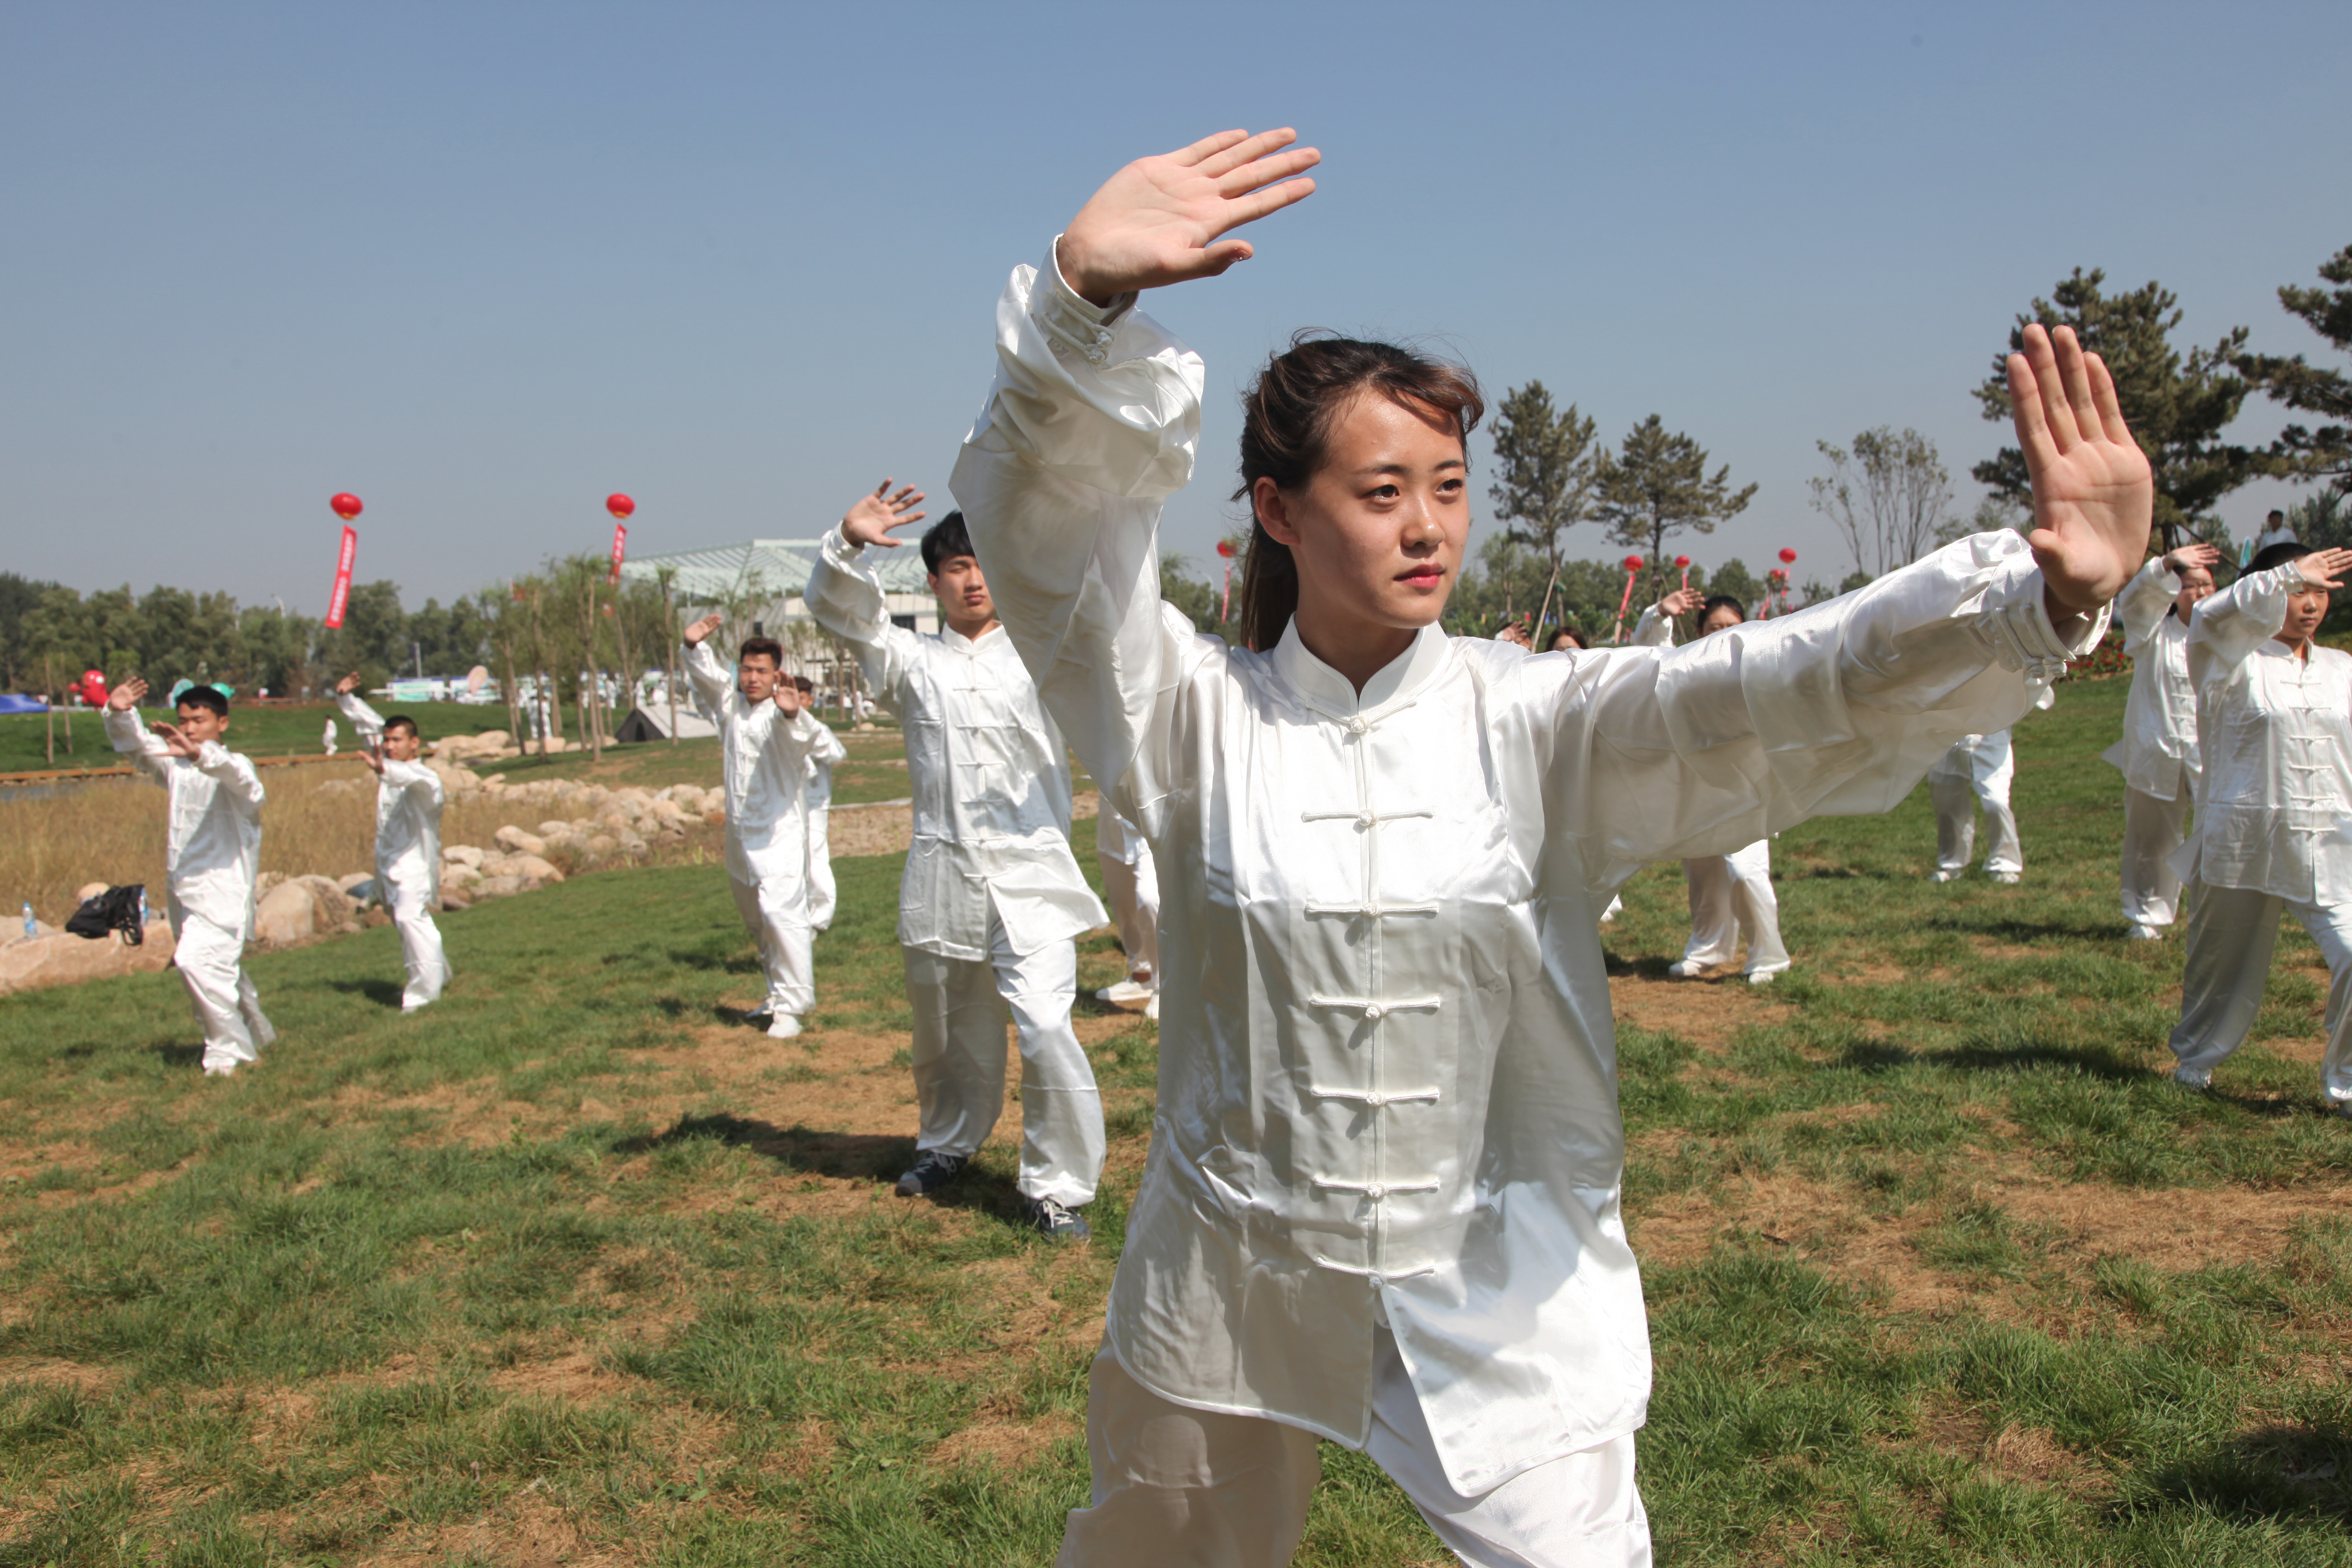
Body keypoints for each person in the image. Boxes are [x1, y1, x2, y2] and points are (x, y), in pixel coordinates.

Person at [949, 128, 2141, 1566]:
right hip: (1228, 1269)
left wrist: (2030, 600)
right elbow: (1053, 552)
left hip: (1500, 1277)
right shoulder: (1188, 721)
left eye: (1446, 485)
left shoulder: (1538, 720)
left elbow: (1772, 684)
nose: (1425, 526)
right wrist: (1076, 307)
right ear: (1276, 508)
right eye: (1378, 490)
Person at [806, 491, 1110, 1239]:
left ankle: (1059, 1187)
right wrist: (847, 546)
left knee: (1044, 1024)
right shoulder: (911, 664)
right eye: (956, 568)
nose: (974, 582)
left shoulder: (1046, 652)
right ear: (934, 582)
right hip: (942, 873)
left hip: (1032, 871)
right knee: (947, 1030)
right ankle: (947, 1144)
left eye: (985, 567)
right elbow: (849, 618)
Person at [2165, 540, 2352, 1115]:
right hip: (2243, 839)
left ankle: (2346, 1081)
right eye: (2298, 590)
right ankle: (2194, 1061)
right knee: (2219, 964)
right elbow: (2214, 614)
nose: (2311, 603)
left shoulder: (2343, 670)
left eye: (2320, 590)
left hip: (2330, 841)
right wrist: (2286, 574)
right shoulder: (2225, 658)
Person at [104, 677, 276, 1077]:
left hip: (223, 886)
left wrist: (201, 756)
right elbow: (137, 745)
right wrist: (120, 712)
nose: (189, 728)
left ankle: (227, 1054)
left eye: (199, 720)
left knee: (195, 961)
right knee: (217, 968)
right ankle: (259, 1031)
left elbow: (248, 786)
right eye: (184, 721)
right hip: (182, 887)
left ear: (222, 723)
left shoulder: (233, 764)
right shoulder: (176, 765)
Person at [1632, 594, 1793, 984]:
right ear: (1700, 633)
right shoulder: (1685, 668)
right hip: (1697, 789)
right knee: (1705, 874)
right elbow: (1646, 657)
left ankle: (1767, 957)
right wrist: (1659, 616)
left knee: (1745, 871)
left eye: (1731, 627)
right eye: (1714, 628)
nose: (1723, 635)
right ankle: (1708, 949)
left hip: (1747, 789)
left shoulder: (1761, 669)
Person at [680, 620, 826, 1040]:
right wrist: (692, 646)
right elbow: (707, 679)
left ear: (777, 673)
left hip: (779, 834)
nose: (753, 678)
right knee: (758, 922)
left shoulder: (785, 714)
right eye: (746, 669)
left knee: (783, 917)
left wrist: (792, 711)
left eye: (762, 671)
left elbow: (805, 740)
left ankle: (794, 1007)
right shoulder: (731, 706)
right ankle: (776, 994)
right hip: (740, 836)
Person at [2105, 544, 2220, 937]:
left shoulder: (2229, 639)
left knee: (2220, 835)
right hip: (2158, 750)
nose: (2201, 592)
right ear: (2173, 592)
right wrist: (2165, 565)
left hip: (2213, 755)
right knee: (2152, 837)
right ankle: (2147, 915)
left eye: (2207, 585)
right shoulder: (2151, 633)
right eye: (2190, 586)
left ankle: (2214, 915)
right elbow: (2135, 599)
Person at [334, 674, 451, 1009]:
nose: (389, 746)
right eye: (387, 741)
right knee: (409, 923)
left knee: (409, 919)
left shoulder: (425, 778)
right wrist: (345, 699)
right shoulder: (388, 763)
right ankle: (438, 971)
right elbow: (369, 724)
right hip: (387, 864)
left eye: (397, 740)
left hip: (414, 864)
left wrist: (386, 772)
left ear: (415, 743)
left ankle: (423, 996)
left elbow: (413, 779)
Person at [1925, 692, 2050, 885]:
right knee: (1948, 803)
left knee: (1996, 803)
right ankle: (1951, 864)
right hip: (1947, 736)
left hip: (1990, 740)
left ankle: (2004, 864)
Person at [1093, 802, 1160, 1019]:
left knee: (1149, 899)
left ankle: (1165, 985)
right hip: (1111, 825)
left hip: (1152, 819)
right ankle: (1141, 977)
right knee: (1124, 904)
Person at [793, 673, 849, 932]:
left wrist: (808, 738)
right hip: (786, 805)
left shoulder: (817, 728)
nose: (796, 702)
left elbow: (837, 754)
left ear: (809, 700)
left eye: (801, 698)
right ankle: (795, 913)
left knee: (815, 860)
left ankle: (820, 918)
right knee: (791, 861)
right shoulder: (779, 726)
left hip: (814, 805)